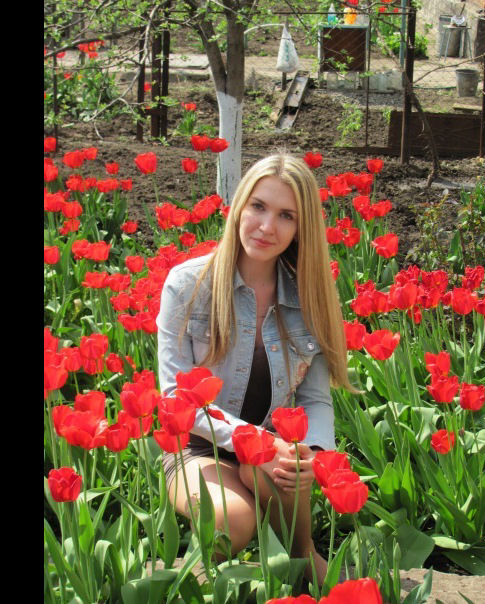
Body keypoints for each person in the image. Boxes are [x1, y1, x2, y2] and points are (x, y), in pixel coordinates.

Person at [156, 152, 354, 584]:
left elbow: (315, 399)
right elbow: (175, 397)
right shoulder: (188, 285)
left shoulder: (310, 298)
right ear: (239, 206)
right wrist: (256, 441)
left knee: (276, 466)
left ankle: (302, 554)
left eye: (286, 215)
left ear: (301, 228)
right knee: (234, 520)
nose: (267, 226)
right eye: (259, 206)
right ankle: (205, 576)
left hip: (273, 454)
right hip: (196, 448)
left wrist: (314, 454)